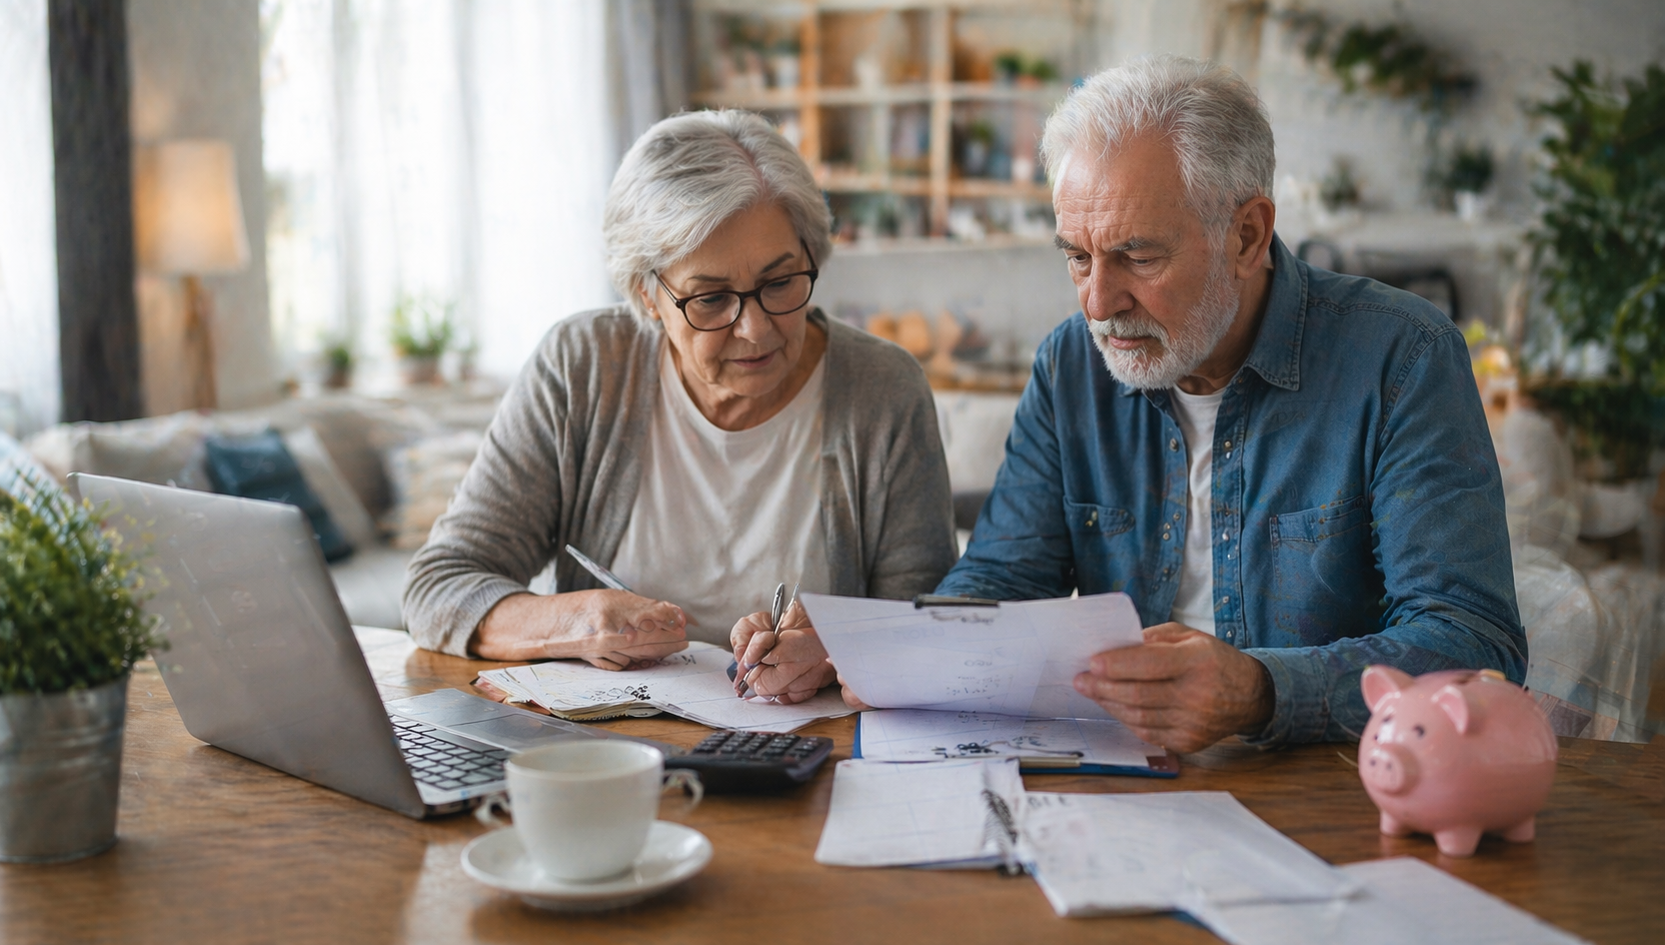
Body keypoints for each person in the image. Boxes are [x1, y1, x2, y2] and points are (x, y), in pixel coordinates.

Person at [734, 56, 1526, 750]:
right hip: (1118, 775)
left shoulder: (1400, 357)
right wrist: (863, 650)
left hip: (1337, 784)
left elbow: (1472, 640)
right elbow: (1002, 581)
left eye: (1136, 256)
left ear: (1246, 235)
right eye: (1076, 257)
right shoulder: (1070, 365)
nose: (1097, 302)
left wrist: (1257, 690)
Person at [403, 110, 957, 679]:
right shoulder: (582, 367)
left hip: (811, 732)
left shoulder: (883, 390)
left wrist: (840, 650)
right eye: (711, 299)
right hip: (612, 731)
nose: (756, 329)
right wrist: (580, 620)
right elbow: (439, 586)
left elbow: (933, 626)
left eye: (779, 282)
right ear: (646, 294)